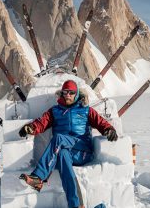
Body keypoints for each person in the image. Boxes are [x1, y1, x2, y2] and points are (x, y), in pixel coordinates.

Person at [18, 80, 118, 208]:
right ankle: (76, 205)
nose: (68, 95)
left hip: (82, 151)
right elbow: (41, 122)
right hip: (65, 151)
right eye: (65, 92)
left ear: (76, 94)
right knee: (62, 156)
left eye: (71, 93)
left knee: (59, 138)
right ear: (62, 93)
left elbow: (101, 123)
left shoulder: (86, 110)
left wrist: (109, 130)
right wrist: (30, 128)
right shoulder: (55, 111)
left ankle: (38, 177)